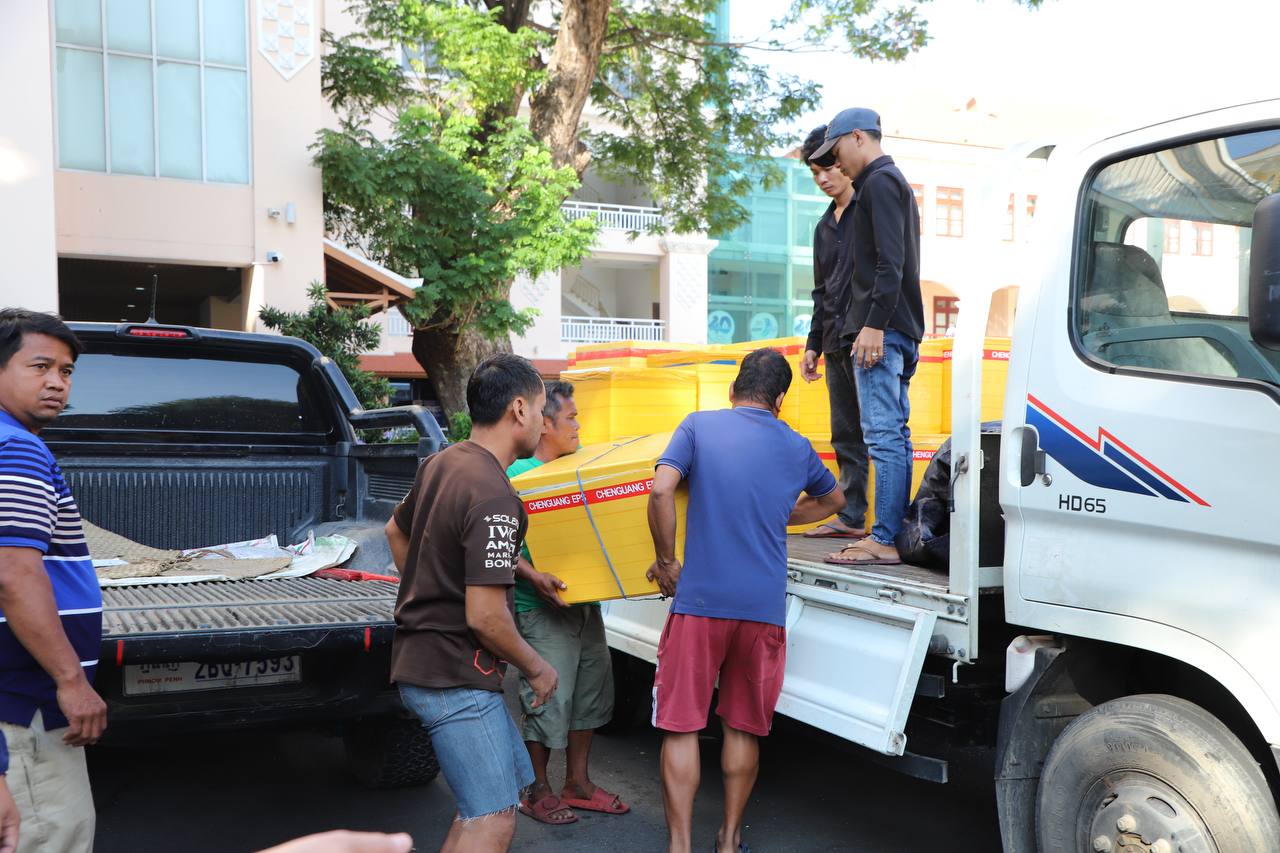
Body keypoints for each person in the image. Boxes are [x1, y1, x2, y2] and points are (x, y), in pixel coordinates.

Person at [646, 349, 845, 853]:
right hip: (762, 609)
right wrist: (780, 515)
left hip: (700, 603)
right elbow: (835, 500)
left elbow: (662, 490)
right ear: (780, 399)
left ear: (733, 390)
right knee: (741, 728)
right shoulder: (797, 445)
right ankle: (730, 840)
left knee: (681, 726)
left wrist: (666, 561)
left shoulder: (698, 426)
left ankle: (679, 847)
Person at [384, 353, 558, 853]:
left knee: (487, 806)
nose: (544, 422)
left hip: (430, 664)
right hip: (451, 674)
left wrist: (430, 590)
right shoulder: (495, 496)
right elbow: (485, 617)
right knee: (492, 820)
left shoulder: (443, 462)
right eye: (542, 409)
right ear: (519, 409)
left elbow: (395, 529)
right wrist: (537, 667)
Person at [0, 309, 106, 853]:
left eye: (66, 371)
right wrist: (71, 681)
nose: (57, 383)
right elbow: (14, 573)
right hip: (24, 707)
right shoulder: (17, 447)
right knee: (47, 837)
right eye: (39, 366)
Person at [506, 381, 629, 825]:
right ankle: (536, 789)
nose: (579, 426)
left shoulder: (579, 468)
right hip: (539, 607)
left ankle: (577, 783)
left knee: (590, 693)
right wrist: (534, 577)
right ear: (544, 424)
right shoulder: (516, 475)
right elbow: (498, 546)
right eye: (571, 418)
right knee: (546, 697)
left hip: (584, 605)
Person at [808, 108, 925, 567]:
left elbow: (889, 263)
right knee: (892, 435)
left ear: (858, 137)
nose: (836, 163)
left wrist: (873, 324)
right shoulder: (888, 183)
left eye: (837, 152)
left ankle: (884, 538)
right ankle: (889, 534)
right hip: (895, 327)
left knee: (881, 437)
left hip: (882, 330)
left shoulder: (878, 182)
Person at [799, 123, 871, 542]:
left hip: (869, 340)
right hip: (834, 342)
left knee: (878, 432)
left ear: (844, 161)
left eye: (828, 168)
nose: (823, 178)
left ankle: (885, 526)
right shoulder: (824, 227)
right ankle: (851, 515)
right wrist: (813, 344)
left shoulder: (871, 210)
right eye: (815, 173)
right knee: (845, 433)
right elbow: (821, 292)